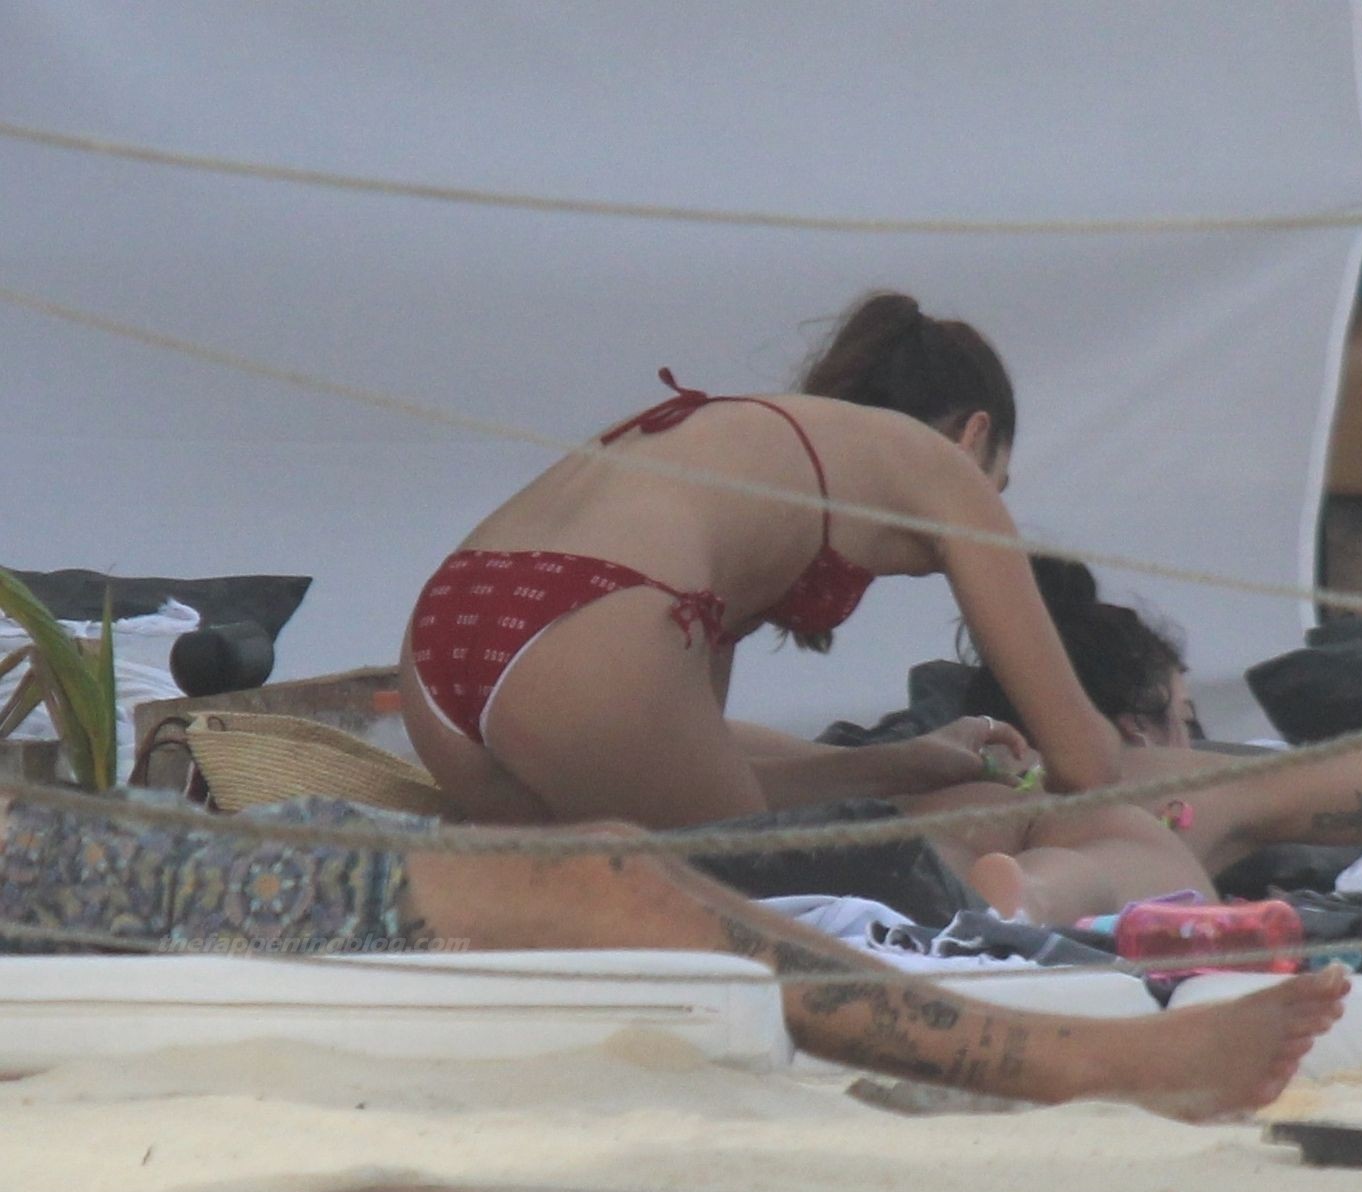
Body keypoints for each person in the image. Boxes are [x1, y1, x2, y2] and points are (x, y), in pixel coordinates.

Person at [0, 784, 1348, 1122]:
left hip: (114, 851)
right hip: (109, 883)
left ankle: (1066, 1046)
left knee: (612, 853)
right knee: (609, 880)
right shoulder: (907, 465)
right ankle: (1085, 1062)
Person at [399, 293, 1123, 830]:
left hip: (444, 635)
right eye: (1000, 483)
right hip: (593, 627)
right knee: (761, 920)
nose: (995, 502)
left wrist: (906, 763)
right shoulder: (942, 469)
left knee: (575, 923)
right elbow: (1086, 762)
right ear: (974, 435)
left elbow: (695, 780)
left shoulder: (754, 448)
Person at [937, 557, 1362, 916]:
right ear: (1137, 727)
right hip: (1080, 863)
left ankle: (1010, 897)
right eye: (1186, 720)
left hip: (946, 831)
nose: (1192, 741)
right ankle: (1034, 897)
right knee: (1103, 868)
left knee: (953, 864)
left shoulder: (941, 764)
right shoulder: (1187, 781)